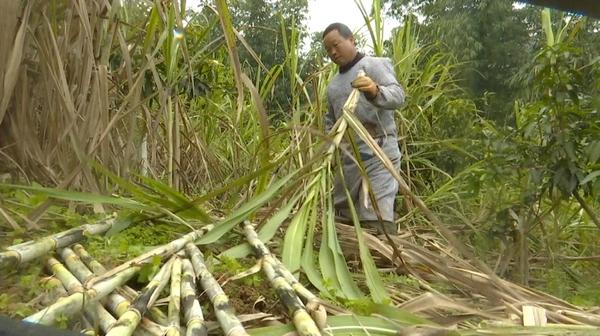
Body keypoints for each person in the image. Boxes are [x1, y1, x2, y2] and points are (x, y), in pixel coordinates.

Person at [322, 22, 405, 235]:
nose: (333, 52)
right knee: (344, 215)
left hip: (380, 154)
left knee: (375, 216)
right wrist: (329, 149)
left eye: (336, 44)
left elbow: (398, 95)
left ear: (351, 40)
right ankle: (352, 263)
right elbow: (331, 122)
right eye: (328, 49)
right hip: (349, 161)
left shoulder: (373, 65)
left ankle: (384, 258)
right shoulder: (333, 86)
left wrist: (374, 90)